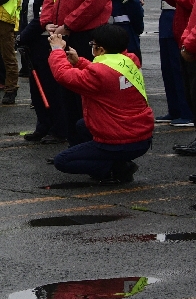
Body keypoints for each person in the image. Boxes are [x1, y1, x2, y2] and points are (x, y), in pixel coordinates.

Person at [40, 0, 114, 145]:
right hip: (62, 33)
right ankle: (72, 142)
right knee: (66, 91)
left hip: (86, 35)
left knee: (84, 92)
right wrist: (48, 22)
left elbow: (94, 2)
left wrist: (68, 24)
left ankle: (89, 143)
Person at [47, 24, 153, 183]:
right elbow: (106, 76)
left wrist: (56, 50)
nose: (92, 48)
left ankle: (115, 169)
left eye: (93, 45)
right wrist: (79, 62)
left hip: (120, 140)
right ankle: (116, 160)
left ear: (101, 50)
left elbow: (63, 75)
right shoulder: (130, 59)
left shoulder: (99, 74)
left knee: (62, 161)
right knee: (82, 125)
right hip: (141, 134)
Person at [16, 0, 68, 144]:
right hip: (32, 42)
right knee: (37, 88)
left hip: (44, 40)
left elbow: (42, 16)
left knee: (50, 86)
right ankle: (43, 125)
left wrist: (23, 36)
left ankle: (58, 128)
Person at [160, 0, 196, 156]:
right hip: (184, 38)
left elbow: (191, 2)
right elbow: (180, 2)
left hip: (191, 42)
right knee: (190, 93)